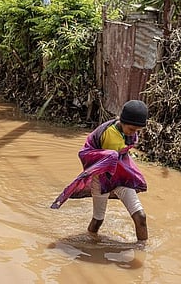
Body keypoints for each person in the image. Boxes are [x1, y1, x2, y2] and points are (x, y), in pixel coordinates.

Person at [51, 100, 149, 241]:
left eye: (136, 131)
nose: (133, 133)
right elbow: (112, 162)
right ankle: (90, 242)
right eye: (131, 129)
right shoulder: (111, 135)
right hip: (103, 180)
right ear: (122, 121)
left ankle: (142, 253)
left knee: (141, 217)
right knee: (98, 221)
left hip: (120, 178)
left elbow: (121, 160)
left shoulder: (123, 131)